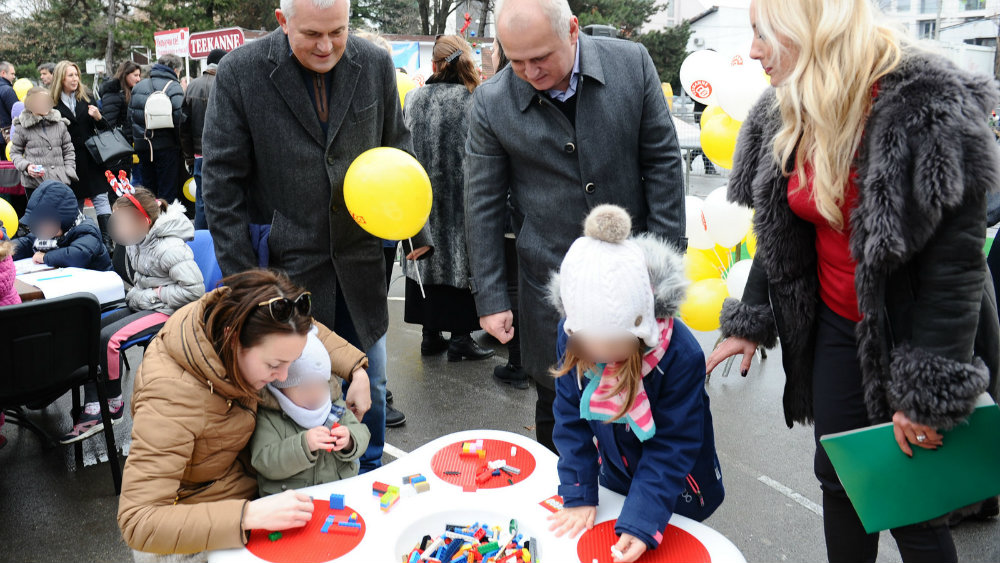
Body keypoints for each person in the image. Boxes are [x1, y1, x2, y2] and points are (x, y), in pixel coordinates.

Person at [705, 1, 1000, 561]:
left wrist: (924, 395)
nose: (753, 51)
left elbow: (956, 271)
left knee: (913, 502)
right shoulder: (785, 110)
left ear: (811, 28)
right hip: (837, 328)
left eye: (763, 33)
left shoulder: (931, 109)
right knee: (841, 479)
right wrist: (752, 319)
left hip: (916, 331)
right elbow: (778, 232)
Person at [203, 0, 431, 472]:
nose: (326, 46)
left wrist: (414, 229)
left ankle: (368, 477)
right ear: (282, 21)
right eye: (311, 34)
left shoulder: (374, 63)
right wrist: (246, 284)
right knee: (291, 397)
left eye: (338, 32)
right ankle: (303, 489)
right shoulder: (240, 72)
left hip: (361, 261)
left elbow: (397, 148)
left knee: (370, 381)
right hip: (283, 272)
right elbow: (222, 183)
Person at [465, 0, 686, 452]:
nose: (529, 71)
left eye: (540, 57)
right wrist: (489, 296)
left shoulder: (632, 65)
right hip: (551, 284)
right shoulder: (491, 102)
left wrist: (664, 272)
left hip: (637, 278)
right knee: (560, 413)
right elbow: (482, 202)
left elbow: (663, 164)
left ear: (572, 29)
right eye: (516, 59)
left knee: (647, 408)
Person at [118, 270, 365, 561]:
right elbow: (139, 521)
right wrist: (247, 515)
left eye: (291, 363)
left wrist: (357, 370)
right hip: (191, 526)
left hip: (251, 496)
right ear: (233, 339)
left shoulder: (244, 317)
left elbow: (306, 331)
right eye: (275, 364)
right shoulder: (170, 395)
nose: (283, 378)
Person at [548, 206, 723, 563]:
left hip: (679, 485)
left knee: (678, 547)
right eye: (588, 343)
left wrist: (643, 521)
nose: (600, 356)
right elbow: (570, 419)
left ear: (642, 328)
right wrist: (580, 492)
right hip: (616, 470)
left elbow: (674, 445)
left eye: (613, 346)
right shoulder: (571, 335)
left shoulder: (681, 355)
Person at [59, 186, 204, 444]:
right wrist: (141, 293)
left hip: (169, 311)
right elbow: (140, 278)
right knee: (92, 328)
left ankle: (112, 406)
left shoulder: (168, 247)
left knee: (110, 339)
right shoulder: (137, 241)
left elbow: (194, 289)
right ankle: (93, 402)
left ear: (144, 222)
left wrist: (152, 295)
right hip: (145, 301)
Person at [402, 35, 493, 364]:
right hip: (461, 202)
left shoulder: (412, 98)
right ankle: (460, 339)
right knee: (459, 264)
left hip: (420, 201)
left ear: (434, 65)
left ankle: (430, 336)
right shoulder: (475, 99)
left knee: (426, 262)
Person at [250, 325, 371, 495]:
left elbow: (362, 432)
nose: (315, 395)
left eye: (321, 385)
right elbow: (264, 461)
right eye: (305, 387)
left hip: (336, 494)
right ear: (281, 386)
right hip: (291, 502)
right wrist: (303, 445)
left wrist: (350, 440)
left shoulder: (333, 404)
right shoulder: (271, 414)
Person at [485, 39, 526, 389]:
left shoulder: (497, 97)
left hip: (508, 211)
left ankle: (517, 361)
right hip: (518, 211)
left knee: (514, 286)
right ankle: (522, 358)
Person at [51, 60, 113, 248]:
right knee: (74, 201)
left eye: (76, 75)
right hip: (69, 160)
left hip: (92, 158)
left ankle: (108, 241)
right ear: (61, 78)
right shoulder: (52, 103)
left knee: (101, 198)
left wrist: (98, 117)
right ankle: (77, 240)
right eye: (70, 75)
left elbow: (104, 128)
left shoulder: (85, 98)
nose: (75, 79)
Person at [12, 180, 112, 270]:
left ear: (63, 221)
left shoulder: (86, 231)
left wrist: (45, 257)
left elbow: (80, 255)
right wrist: (6, 250)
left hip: (97, 285)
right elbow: (28, 242)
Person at [129, 55, 185, 203]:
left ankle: (150, 222)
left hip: (144, 147)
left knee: (148, 192)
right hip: (167, 148)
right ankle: (166, 222)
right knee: (167, 193)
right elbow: (179, 119)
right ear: (175, 70)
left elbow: (131, 117)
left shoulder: (139, 86)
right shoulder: (174, 86)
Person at [180, 49, 226, 231]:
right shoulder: (225, 83)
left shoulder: (192, 86)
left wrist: (189, 157)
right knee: (224, 201)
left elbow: (183, 126)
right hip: (223, 153)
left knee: (201, 201)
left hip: (199, 155)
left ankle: (200, 240)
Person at [10, 87, 77, 193]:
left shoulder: (60, 124)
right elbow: (14, 153)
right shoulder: (22, 127)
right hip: (34, 184)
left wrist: (68, 171)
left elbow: (68, 150)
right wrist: (27, 167)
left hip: (60, 182)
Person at [100, 61, 142, 183]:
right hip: (117, 149)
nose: (138, 79)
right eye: (135, 75)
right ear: (125, 75)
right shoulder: (114, 94)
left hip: (126, 147)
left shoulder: (129, 92)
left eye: (139, 75)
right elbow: (108, 123)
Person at [0, 62, 18, 138]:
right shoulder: (7, 90)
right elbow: (17, 114)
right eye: (12, 74)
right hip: (6, 136)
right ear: (3, 73)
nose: (14, 77)